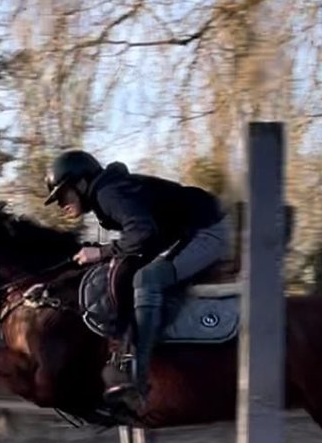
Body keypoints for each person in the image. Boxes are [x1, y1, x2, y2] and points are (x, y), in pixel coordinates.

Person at [44, 149, 229, 410]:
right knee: (140, 272)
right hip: (189, 232)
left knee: (148, 279)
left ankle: (137, 375)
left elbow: (143, 232)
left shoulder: (108, 194)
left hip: (211, 230)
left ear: (81, 182)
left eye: (63, 194)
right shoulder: (108, 193)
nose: (62, 204)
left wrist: (102, 252)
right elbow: (150, 234)